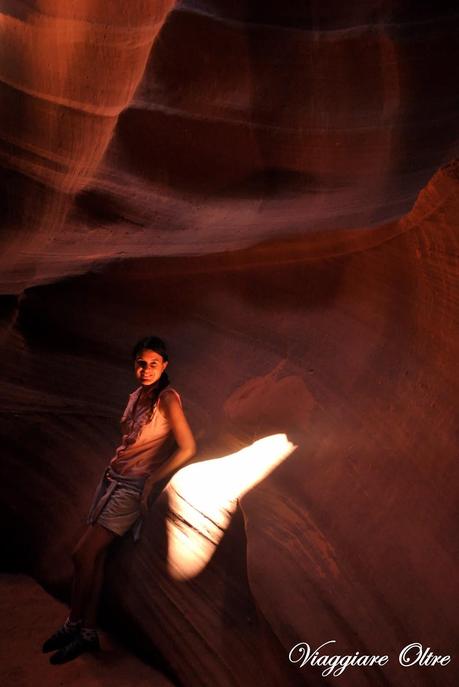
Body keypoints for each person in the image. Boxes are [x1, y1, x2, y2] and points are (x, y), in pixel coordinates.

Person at [42, 336, 196, 664]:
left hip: (131, 488)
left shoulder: (167, 400)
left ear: (164, 366)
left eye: (154, 364)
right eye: (141, 363)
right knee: (94, 558)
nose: (146, 369)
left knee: (81, 555)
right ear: (134, 364)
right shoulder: (137, 396)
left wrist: (153, 479)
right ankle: (85, 633)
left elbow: (188, 447)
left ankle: (75, 625)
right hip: (111, 481)